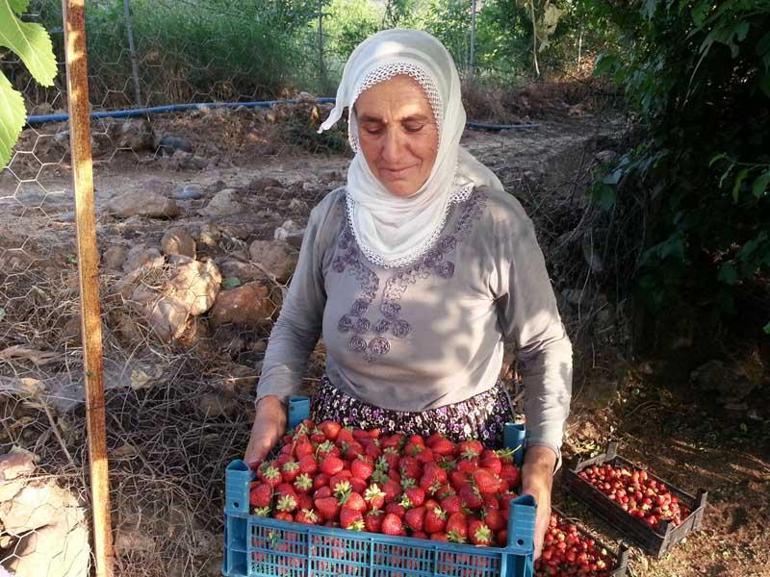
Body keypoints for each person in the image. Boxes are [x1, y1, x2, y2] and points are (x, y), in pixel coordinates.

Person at [244, 29, 572, 558]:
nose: (391, 151)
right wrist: (270, 406)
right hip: (341, 454)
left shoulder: (494, 222)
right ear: (352, 127)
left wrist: (539, 464)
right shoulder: (333, 216)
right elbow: (296, 325)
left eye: (413, 126)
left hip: (456, 466)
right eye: (371, 127)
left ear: (445, 121)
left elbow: (543, 346)